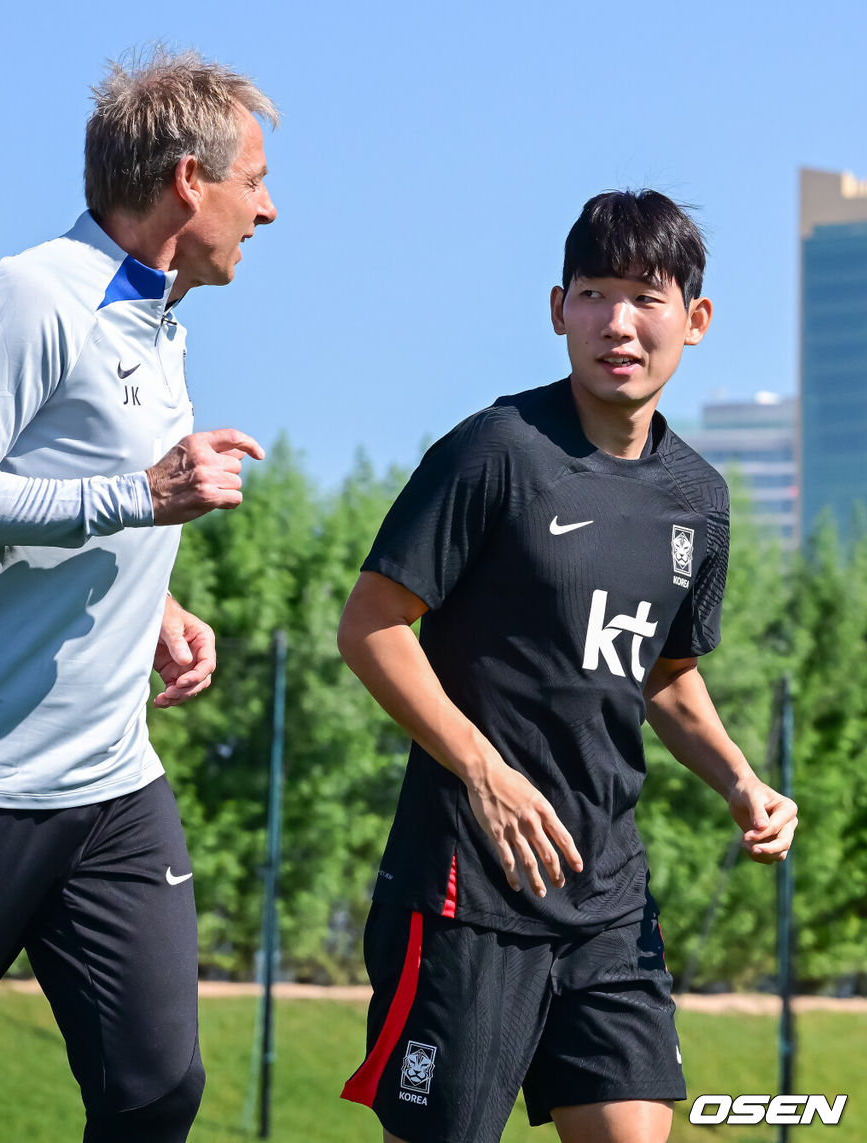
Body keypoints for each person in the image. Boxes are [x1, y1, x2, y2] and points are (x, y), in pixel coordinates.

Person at [0, 48, 277, 1143]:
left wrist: (158, 606)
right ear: (189, 180)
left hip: (111, 786)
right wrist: (137, 496)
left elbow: (75, 499)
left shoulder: (159, 320)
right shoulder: (30, 295)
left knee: (155, 1093)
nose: (268, 210)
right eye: (255, 180)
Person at [337, 190, 798, 1143]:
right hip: (467, 885)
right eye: (594, 294)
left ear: (696, 321)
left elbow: (664, 674)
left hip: (607, 894)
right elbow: (373, 626)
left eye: (646, 296)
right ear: (558, 309)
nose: (617, 323)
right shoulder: (495, 451)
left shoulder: (698, 500)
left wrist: (740, 780)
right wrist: (484, 770)